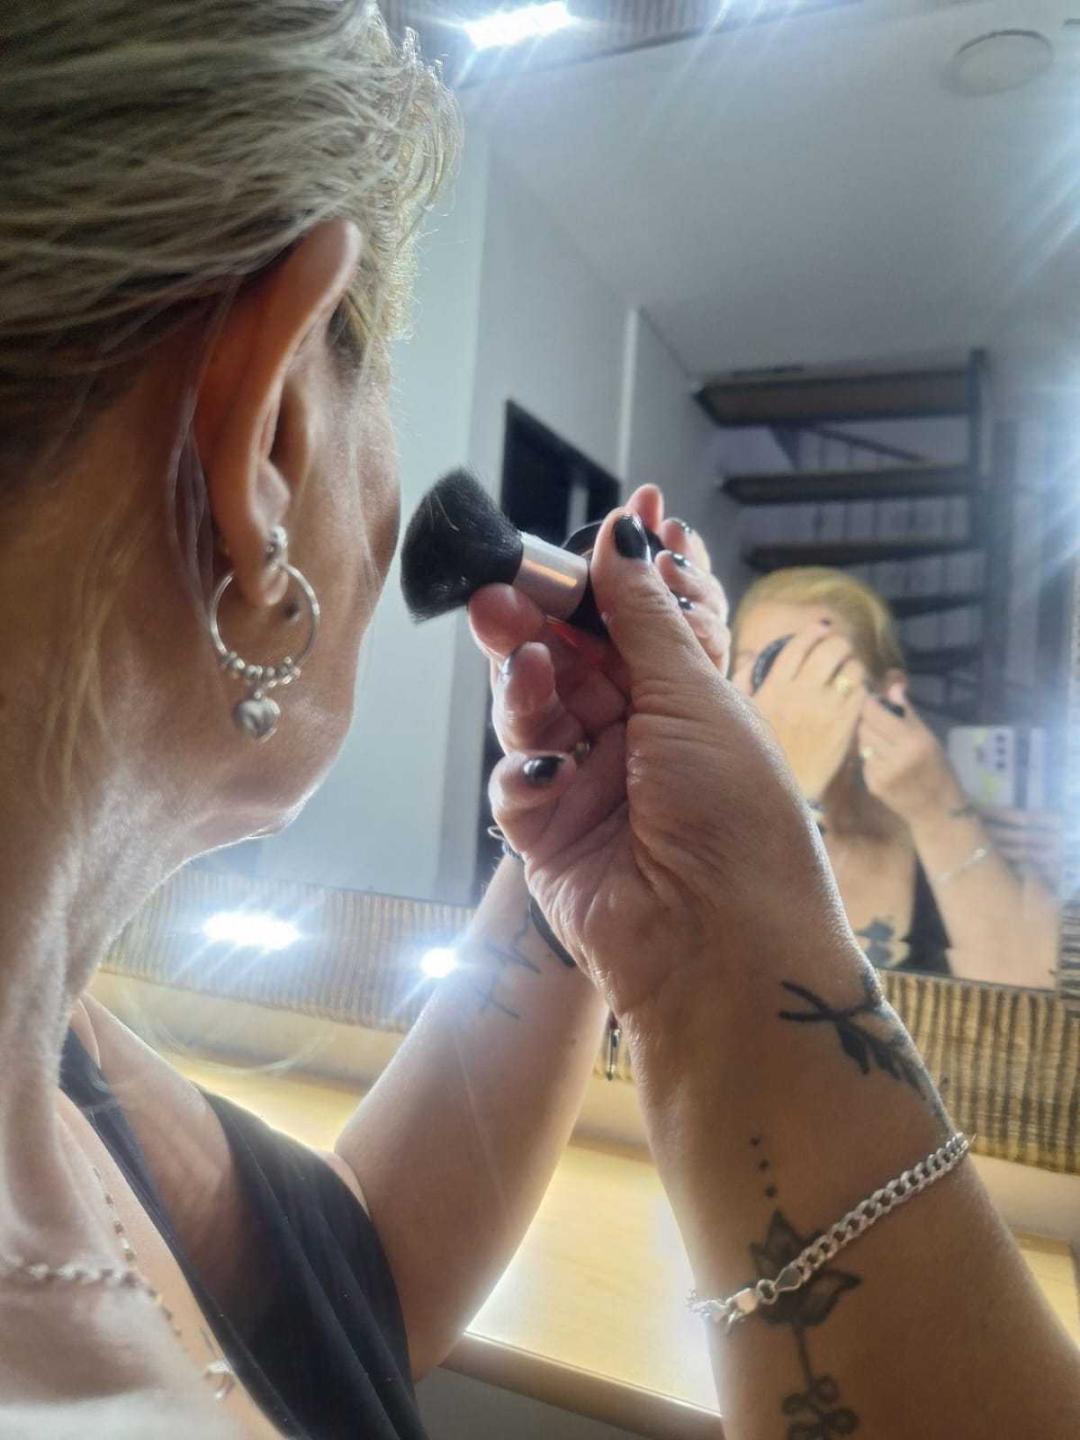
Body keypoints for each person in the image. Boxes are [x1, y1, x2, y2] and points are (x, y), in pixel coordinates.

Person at [2, 5, 1078, 1438]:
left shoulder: (52, 1055)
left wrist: (608, 874)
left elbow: (347, 1283)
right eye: (380, 377)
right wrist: (743, 945)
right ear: (270, 433)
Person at [729, 567, 1059, 987]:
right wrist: (782, 791)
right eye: (758, 668)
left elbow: (1028, 1008)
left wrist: (938, 809)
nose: (788, 700)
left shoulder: (944, 834)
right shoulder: (692, 832)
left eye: (818, 668)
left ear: (886, 694)